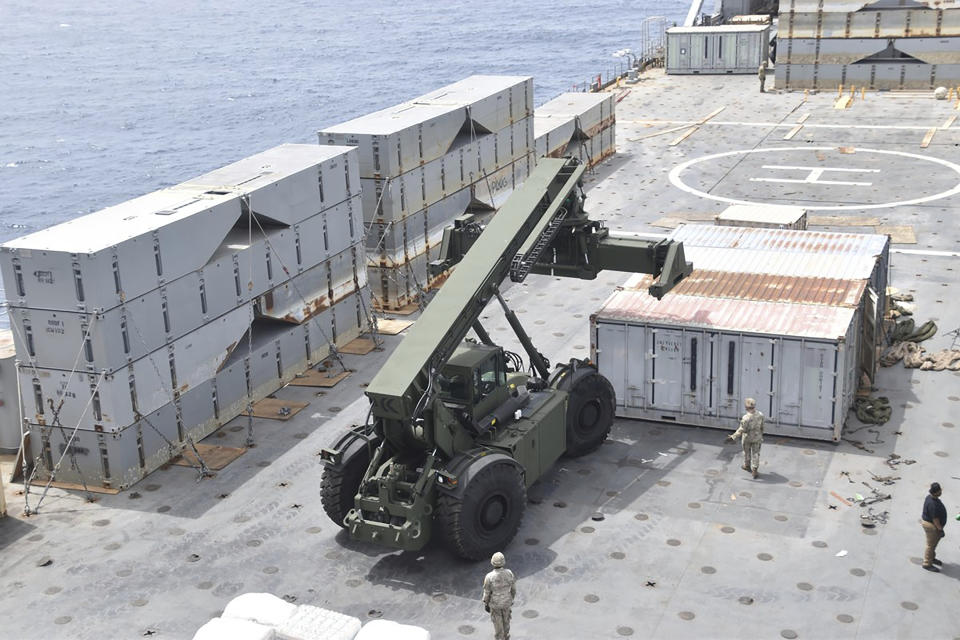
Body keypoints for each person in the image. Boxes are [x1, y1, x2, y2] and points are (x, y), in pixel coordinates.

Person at [482, 552, 516, 640]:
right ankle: (506, 637)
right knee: (506, 622)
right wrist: (511, 599)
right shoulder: (509, 573)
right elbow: (513, 589)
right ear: (503, 562)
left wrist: (486, 604)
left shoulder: (489, 577)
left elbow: (487, 593)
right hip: (506, 603)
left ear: (492, 562)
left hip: (495, 604)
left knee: (498, 626)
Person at [727, 397, 764, 478]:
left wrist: (733, 436)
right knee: (756, 453)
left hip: (747, 438)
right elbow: (762, 426)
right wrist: (761, 435)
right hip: (757, 437)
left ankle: (747, 465)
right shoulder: (760, 415)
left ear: (746, 407)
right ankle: (755, 470)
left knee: (746, 452)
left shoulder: (746, 418)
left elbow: (741, 429)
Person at [921, 482, 947, 572]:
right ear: (936, 492)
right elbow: (935, 519)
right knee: (930, 545)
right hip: (931, 526)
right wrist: (940, 530)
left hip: (931, 524)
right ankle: (927, 563)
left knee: (934, 544)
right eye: (939, 491)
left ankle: (932, 558)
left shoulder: (931, 497)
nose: (941, 492)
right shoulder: (933, 504)